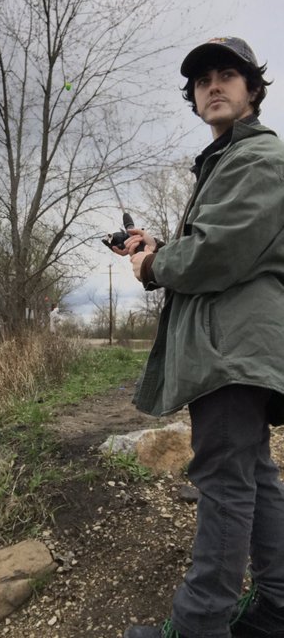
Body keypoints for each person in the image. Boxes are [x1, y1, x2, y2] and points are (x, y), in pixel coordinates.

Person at [117, 37, 284, 638]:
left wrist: (153, 265)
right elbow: (220, 246)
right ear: (192, 97)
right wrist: (160, 250)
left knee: (224, 483)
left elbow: (218, 252)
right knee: (253, 476)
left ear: (252, 89)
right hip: (235, 347)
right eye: (201, 80)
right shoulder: (226, 161)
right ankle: (276, 609)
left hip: (231, 350)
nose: (213, 85)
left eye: (227, 75)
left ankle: (198, 627)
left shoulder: (258, 157)